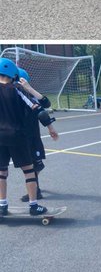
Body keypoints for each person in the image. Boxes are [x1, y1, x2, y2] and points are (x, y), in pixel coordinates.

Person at [0, 57, 49, 217]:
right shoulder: (16, 89)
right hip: (17, 136)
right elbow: (38, 108)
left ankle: (2, 206)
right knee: (29, 171)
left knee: (1, 172)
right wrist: (49, 124)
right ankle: (33, 206)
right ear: (13, 74)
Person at [11, 66, 58, 204]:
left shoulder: (31, 98)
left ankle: (35, 191)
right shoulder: (13, 97)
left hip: (32, 138)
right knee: (27, 165)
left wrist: (50, 128)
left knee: (31, 165)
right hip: (19, 137)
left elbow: (44, 108)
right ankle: (35, 186)